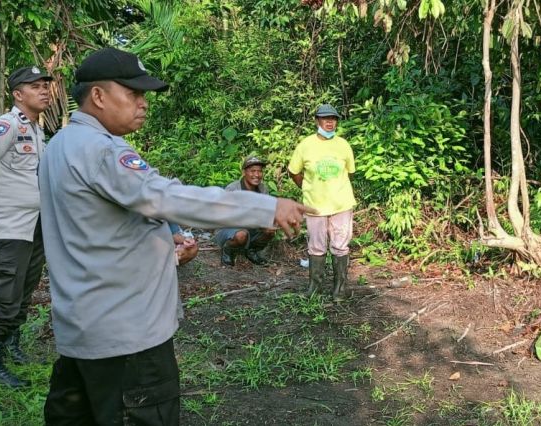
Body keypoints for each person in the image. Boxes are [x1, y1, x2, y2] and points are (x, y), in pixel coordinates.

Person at [38, 47, 312, 425]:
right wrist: (265, 208)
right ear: (98, 96)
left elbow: (90, 230)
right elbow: (165, 197)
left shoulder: (60, 147)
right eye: (133, 93)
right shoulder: (102, 151)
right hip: (128, 338)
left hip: (84, 330)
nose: (143, 103)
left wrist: (156, 243)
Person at [0, 66, 53, 387]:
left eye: (46, 85)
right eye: (36, 86)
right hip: (8, 227)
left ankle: (10, 345)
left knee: (24, 289)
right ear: (18, 94)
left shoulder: (36, 130)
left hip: (33, 226)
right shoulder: (5, 126)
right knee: (4, 292)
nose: (45, 90)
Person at [288, 104, 356, 302]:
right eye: (325, 118)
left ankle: (339, 290)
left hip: (341, 204)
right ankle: (314, 287)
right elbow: (294, 171)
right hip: (315, 205)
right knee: (316, 247)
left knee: (340, 246)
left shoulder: (343, 145)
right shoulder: (305, 145)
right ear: (317, 120)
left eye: (333, 119)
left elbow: (350, 172)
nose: (329, 122)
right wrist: (308, 188)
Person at [215, 155, 277, 266]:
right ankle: (227, 250)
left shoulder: (263, 189)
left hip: (252, 227)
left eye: (259, 171)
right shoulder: (233, 189)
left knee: (270, 230)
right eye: (252, 171)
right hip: (228, 228)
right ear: (244, 172)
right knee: (241, 235)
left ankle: (252, 251)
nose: (257, 175)